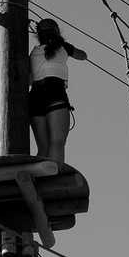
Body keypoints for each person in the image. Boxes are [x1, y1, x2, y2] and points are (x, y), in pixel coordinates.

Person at [29, 18, 87, 163]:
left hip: (35, 95)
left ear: (38, 36)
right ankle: (55, 176)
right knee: (57, 142)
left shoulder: (33, 53)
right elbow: (83, 56)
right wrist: (63, 43)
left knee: (43, 148)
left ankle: (39, 175)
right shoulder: (63, 48)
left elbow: (29, 79)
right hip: (55, 91)